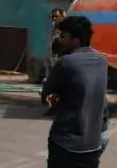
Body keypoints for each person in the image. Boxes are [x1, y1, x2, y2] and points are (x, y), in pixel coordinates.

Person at [42, 15, 108, 168]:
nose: (61, 40)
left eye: (64, 36)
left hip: (65, 144)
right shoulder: (102, 62)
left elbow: (47, 92)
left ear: (76, 39)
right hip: (92, 145)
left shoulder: (66, 62)